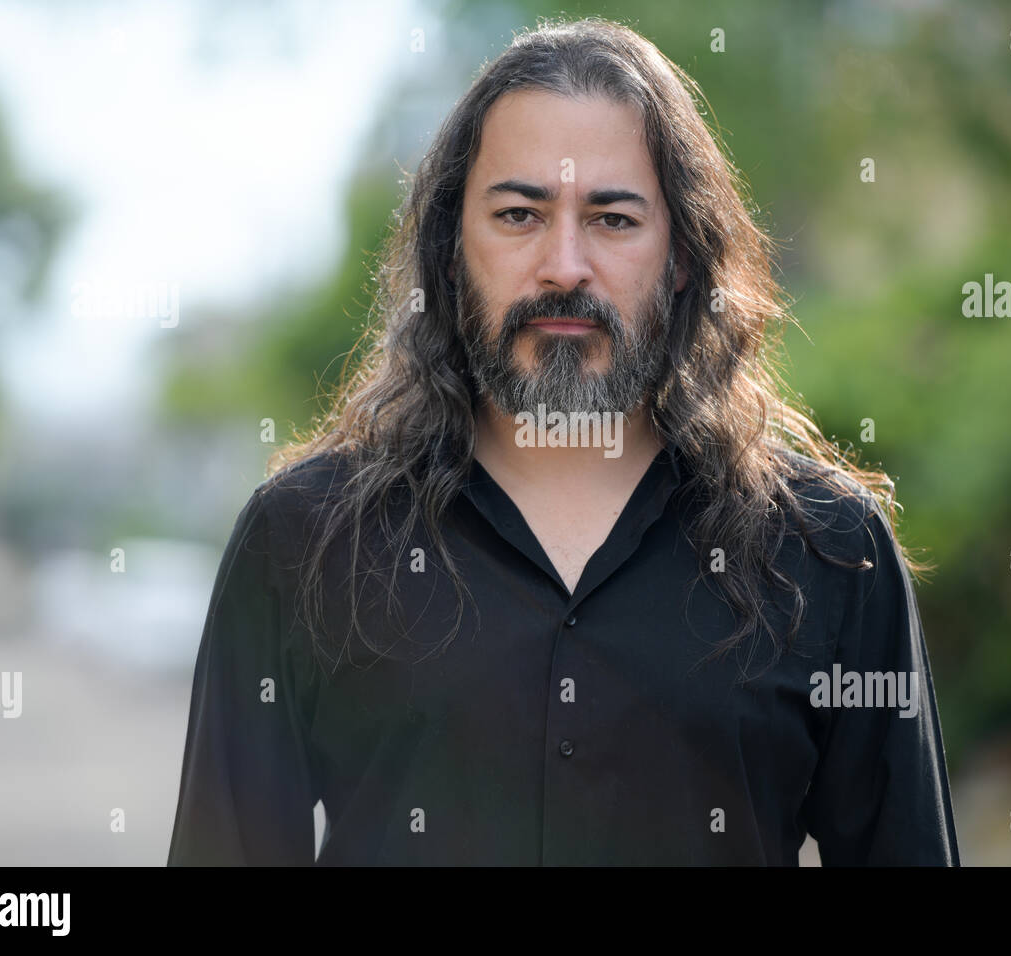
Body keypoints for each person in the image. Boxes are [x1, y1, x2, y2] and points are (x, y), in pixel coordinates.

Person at [167, 16, 960, 866]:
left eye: (614, 219)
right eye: (519, 214)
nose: (565, 266)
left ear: (683, 255)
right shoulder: (302, 543)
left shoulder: (831, 554)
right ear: (451, 249)